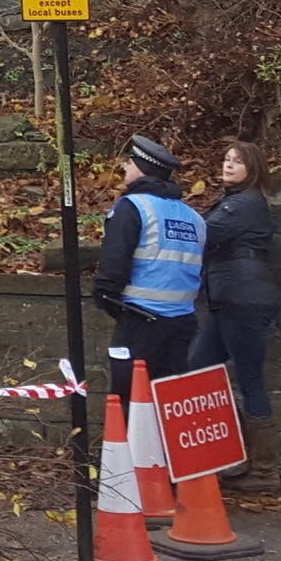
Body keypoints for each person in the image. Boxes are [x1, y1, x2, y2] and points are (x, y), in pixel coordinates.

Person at [188, 139, 280, 489]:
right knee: (198, 366)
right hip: (230, 299)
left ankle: (264, 470)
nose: (228, 165)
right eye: (226, 159)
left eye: (237, 161)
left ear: (252, 168)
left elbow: (203, 234)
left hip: (243, 300)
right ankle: (232, 454)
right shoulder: (237, 202)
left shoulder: (245, 203)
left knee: (250, 379)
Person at [92, 133, 205, 388]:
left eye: (130, 163)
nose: (125, 167)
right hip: (183, 322)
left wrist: (106, 299)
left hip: (140, 321)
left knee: (130, 397)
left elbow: (114, 263)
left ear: (143, 169)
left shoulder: (132, 207)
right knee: (170, 399)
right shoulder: (194, 217)